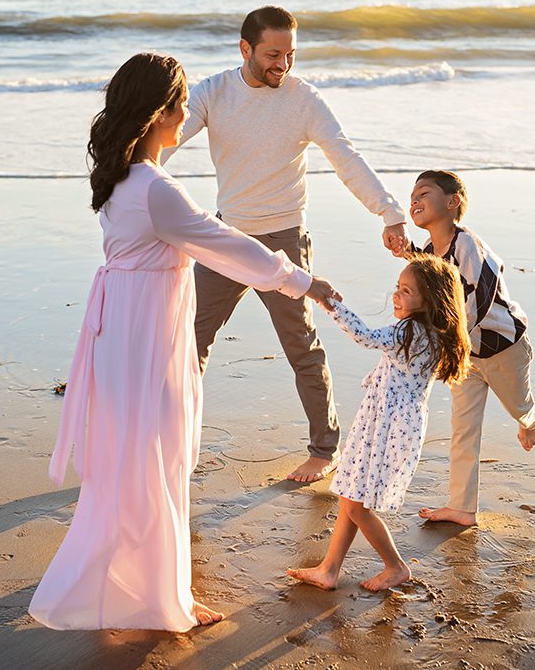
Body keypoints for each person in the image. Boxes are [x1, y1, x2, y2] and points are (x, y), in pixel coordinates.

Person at [29, 52, 339, 633]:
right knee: (161, 454)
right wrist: (301, 278)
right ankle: (162, 598)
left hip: (123, 328)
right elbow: (226, 243)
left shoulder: (122, 178)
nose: (185, 113)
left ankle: (151, 587)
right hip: (146, 335)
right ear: (156, 113)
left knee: (140, 456)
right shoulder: (155, 187)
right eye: (178, 104)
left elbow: (212, 242)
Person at [162, 5, 406, 483]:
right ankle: (169, 442)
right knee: (188, 342)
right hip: (226, 237)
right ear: (245, 48)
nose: (284, 64)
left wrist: (390, 212)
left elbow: (345, 156)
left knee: (301, 346)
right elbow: (163, 144)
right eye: (273, 54)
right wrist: (124, 180)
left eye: (291, 54)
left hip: (283, 242)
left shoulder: (303, 99)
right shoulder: (212, 93)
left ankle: (324, 448)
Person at [287, 255, 470, 592]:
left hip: (386, 429)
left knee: (356, 505)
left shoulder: (411, 332)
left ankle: (395, 566)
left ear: (429, 300)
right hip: (388, 425)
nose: (396, 296)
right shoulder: (427, 333)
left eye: (405, 291)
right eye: (397, 288)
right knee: (350, 497)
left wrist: (328, 303)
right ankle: (329, 568)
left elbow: (365, 336)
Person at [394, 169, 535, 527]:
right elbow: (433, 280)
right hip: (465, 358)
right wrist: (408, 253)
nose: (415, 200)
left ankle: (530, 420)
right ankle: (461, 507)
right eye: (412, 195)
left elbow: (482, 293)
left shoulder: (468, 244)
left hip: (503, 348)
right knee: (463, 430)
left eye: (423, 193)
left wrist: (450, 339)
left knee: (518, 405)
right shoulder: (431, 251)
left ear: (452, 202)